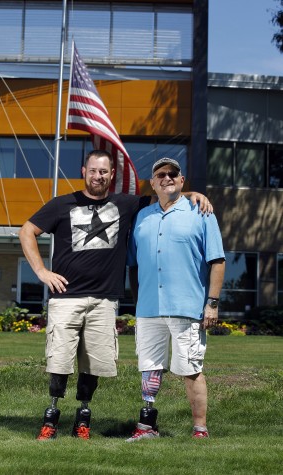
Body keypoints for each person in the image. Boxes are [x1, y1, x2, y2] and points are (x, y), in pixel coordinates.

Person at [18, 150, 212, 441]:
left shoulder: (125, 204)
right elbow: (27, 231)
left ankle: (83, 419)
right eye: (94, 170)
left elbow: (168, 192)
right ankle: (51, 417)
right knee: (59, 361)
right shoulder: (62, 204)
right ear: (85, 171)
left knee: (93, 364)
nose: (99, 176)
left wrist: (193, 192)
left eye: (104, 172)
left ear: (111, 175)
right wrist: (42, 272)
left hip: (104, 300)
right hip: (66, 298)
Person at [126, 157, 225, 442]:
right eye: (161, 174)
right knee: (149, 368)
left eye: (173, 174)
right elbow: (133, 265)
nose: (167, 178)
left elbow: (217, 260)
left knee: (190, 369)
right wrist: (137, 301)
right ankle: (147, 427)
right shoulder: (142, 217)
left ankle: (200, 429)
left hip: (188, 307)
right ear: (153, 183)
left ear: (182, 181)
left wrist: (212, 302)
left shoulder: (200, 212)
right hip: (148, 309)